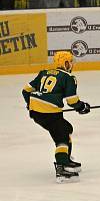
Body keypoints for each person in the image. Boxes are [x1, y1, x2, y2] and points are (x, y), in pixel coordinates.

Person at [21, 51, 91, 182]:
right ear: (65, 63)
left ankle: (66, 159)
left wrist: (30, 104)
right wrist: (82, 107)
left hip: (36, 112)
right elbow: (72, 100)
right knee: (62, 137)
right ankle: (61, 168)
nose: (71, 64)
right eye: (70, 61)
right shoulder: (68, 77)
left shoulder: (44, 73)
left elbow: (25, 91)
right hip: (49, 113)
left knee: (66, 128)